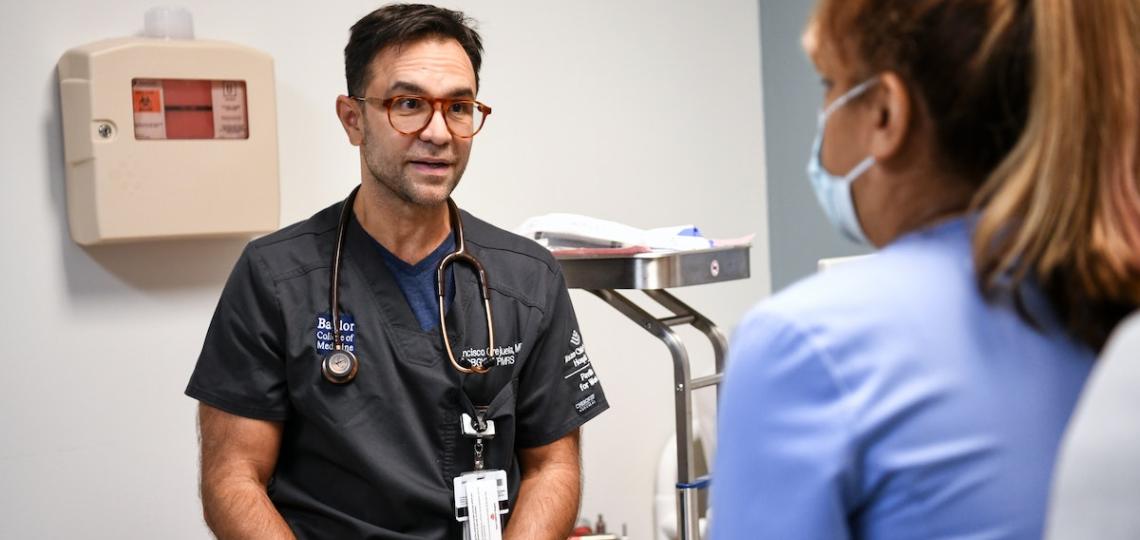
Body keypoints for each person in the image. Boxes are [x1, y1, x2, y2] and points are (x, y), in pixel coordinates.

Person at [711, 0, 1139, 538]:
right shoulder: (1106, 294)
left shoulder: (805, 346)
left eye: (829, 84)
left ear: (886, 114)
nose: (823, 120)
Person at [185, 4, 609, 538]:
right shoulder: (276, 277)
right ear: (352, 119)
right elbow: (232, 477)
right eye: (409, 104)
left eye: (458, 107)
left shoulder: (527, 280)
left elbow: (554, 465)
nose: (438, 132)